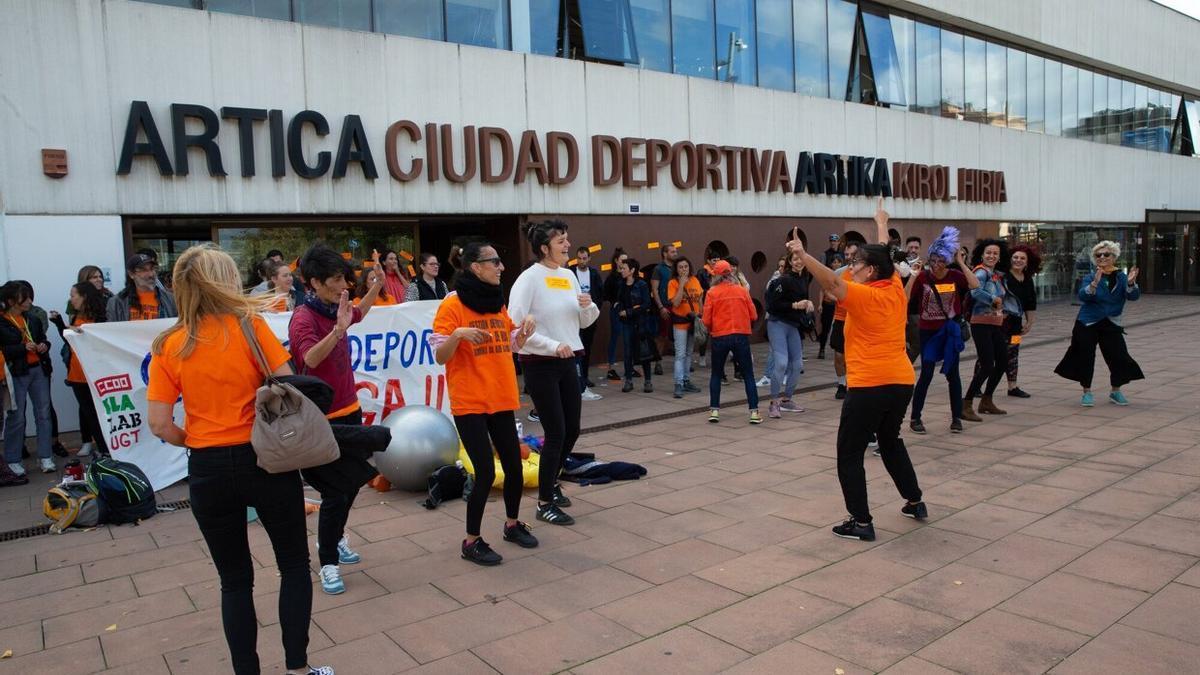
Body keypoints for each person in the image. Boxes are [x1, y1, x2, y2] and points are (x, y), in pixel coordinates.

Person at [146, 245, 332, 675]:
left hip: (207, 468)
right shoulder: (249, 326)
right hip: (264, 459)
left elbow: (159, 425)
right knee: (293, 565)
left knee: (234, 581)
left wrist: (197, 440)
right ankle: (298, 668)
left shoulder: (170, 344)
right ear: (226, 281)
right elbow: (289, 388)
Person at [787, 201, 926, 542]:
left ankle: (861, 521)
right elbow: (886, 257)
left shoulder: (865, 295)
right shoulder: (893, 285)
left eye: (857, 263)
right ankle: (914, 501)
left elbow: (832, 286)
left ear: (869, 272)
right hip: (901, 381)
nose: (852, 265)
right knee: (891, 440)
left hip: (869, 385)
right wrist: (881, 222)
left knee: (849, 452)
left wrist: (804, 257)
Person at [432, 241, 538, 565]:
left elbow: (508, 342)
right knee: (484, 473)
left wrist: (523, 333)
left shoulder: (495, 301)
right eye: (495, 262)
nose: (501, 267)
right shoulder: (452, 305)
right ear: (476, 267)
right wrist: (458, 335)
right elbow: (439, 355)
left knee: (515, 468)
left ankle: (511, 524)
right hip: (471, 402)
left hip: (501, 396)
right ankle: (471, 541)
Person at [289, 244, 384, 595]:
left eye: (344, 277)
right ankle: (327, 561)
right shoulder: (304, 317)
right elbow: (310, 359)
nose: (343, 284)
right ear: (313, 282)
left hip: (350, 411)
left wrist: (376, 285)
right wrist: (338, 331)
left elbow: (360, 311)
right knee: (334, 492)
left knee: (351, 486)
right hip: (320, 421)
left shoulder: (336, 307)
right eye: (334, 280)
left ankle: (337, 538)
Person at [508, 220, 599, 527]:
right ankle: (544, 503)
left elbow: (583, 323)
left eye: (567, 239)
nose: (568, 245)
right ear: (544, 248)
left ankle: (553, 481)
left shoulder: (569, 276)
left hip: (568, 360)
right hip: (539, 364)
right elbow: (515, 329)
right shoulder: (528, 279)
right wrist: (550, 344)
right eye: (561, 241)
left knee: (572, 429)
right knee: (556, 432)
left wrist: (587, 306)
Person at [905, 227, 980, 434]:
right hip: (928, 332)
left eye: (941, 261)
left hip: (949, 332)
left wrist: (962, 262)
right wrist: (914, 274)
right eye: (933, 260)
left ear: (948, 261)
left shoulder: (955, 275)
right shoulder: (923, 277)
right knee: (926, 373)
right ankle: (915, 417)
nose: (937, 265)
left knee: (953, 375)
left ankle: (957, 417)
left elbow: (975, 284)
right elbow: (905, 297)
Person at [1054, 241, 1143, 406]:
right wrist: (1094, 284)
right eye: (1098, 255)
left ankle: (1115, 391)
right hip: (1088, 322)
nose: (1102, 257)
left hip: (1111, 323)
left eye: (1106, 254)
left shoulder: (1122, 277)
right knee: (1085, 356)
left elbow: (1133, 296)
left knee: (1119, 356)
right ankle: (1086, 392)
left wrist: (1131, 283)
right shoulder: (1090, 276)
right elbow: (1083, 296)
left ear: (1114, 257)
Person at [49, 282, 110, 457]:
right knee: (89, 414)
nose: (71, 299)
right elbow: (70, 340)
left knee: (100, 414)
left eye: (73, 295)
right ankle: (102, 448)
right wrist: (60, 323)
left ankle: (106, 449)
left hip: (95, 374)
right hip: (76, 374)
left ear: (84, 296)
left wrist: (85, 333)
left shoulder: (100, 318)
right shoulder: (76, 316)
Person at [0, 282, 55, 475]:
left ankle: (45, 456)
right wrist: (22, 348)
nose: (30, 301)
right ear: (10, 301)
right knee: (16, 417)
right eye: (25, 297)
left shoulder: (32, 319)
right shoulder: (2, 322)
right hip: (16, 373)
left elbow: (43, 339)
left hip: (38, 369)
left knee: (44, 413)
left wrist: (43, 346)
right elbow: (3, 351)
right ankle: (13, 459)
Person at [701, 260, 760, 424]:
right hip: (740, 335)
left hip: (719, 336)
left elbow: (706, 320)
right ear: (730, 273)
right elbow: (754, 315)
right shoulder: (742, 291)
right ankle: (754, 412)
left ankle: (714, 411)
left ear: (716, 276)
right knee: (748, 374)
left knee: (716, 374)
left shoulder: (712, 292)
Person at [963, 239, 1011, 419]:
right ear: (982, 255)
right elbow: (975, 292)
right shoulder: (981, 273)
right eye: (988, 253)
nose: (991, 256)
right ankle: (966, 403)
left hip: (994, 323)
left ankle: (986, 400)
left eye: (995, 254)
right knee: (987, 366)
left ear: (999, 257)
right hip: (981, 323)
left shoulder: (996, 275)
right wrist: (993, 299)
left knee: (1002, 363)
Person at [765, 248, 814, 418]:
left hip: (793, 326)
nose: (799, 261)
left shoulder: (805, 278)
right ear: (790, 262)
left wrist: (808, 303)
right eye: (795, 259)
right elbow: (771, 306)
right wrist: (794, 305)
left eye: (801, 258)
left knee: (798, 365)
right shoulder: (783, 280)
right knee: (781, 363)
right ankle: (773, 403)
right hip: (777, 323)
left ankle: (786, 400)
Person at [1003, 245, 1040, 398]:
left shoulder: (1027, 279)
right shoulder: (1003, 277)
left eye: (1022, 258)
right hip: (1001, 322)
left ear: (1027, 262)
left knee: (1013, 353)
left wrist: (1030, 322)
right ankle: (978, 386)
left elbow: (1031, 302)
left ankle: (1012, 387)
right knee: (991, 354)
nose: (1018, 260)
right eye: (1016, 257)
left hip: (1016, 324)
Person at [614, 257, 654, 393]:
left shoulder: (641, 284)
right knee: (627, 352)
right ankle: (628, 380)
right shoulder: (621, 284)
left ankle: (648, 381)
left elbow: (647, 304)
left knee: (644, 352)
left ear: (632, 270)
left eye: (624, 268)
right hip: (626, 324)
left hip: (640, 323)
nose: (621, 271)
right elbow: (619, 301)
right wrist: (619, 309)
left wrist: (630, 312)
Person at [828, 239, 862, 399]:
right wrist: (840, 299)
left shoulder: (865, 272)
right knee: (839, 355)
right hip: (841, 318)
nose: (849, 257)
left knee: (855, 355)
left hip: (858, 320)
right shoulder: (839, 273)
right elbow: (828, 293)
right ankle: (842, 384)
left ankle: (855, 383)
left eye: (853, 254)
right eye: (847, 254)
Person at [666, 256, 703, 398]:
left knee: (689, 353)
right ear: (676, 269)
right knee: (680, 354)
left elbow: (700, 300)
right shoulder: (673, 283)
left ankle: (686, 380)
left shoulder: (695, 280)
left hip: (693, 322)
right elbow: (675, 303)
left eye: (686, 267)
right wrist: (681, 285)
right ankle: (678, 384)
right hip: (680, 324)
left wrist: (701, 316)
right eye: (680, 267)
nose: (683, 269)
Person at [572, 246, 604, 400]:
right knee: (576, 349)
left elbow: (600, 293)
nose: (582, 261)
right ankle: (577, 380)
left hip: (589, 316)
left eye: (584, 258)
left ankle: (584, 377)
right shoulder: (570, 272)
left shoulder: (594, 274)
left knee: (586, 349)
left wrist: (594, 309)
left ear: (589, 258)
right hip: (575, 317)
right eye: (579, 258)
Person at [108, 253, 178, 322]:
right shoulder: (116, 303)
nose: (151, 274)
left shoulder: (170, 300)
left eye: (152, 269)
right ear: (131, 274)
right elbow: (112, 330)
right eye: (144, 270)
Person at [650, 243, 678, 376]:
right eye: (672, 252)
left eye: (675, 251)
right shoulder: (658, 269)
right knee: (662, 335)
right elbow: (654, 289)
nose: (675, 253)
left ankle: (682, 363)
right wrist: (660, 307)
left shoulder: (678, 267)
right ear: (665, 254)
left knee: (679, 335)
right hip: (665, 306)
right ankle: (658, 363)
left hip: (678, 306)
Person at [603, 248, 631, 381]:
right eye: (622, 260)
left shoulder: (627, 275)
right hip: (617, 310)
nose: (624, 263)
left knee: (629, 338)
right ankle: (611, 368)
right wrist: (614, 302)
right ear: (616, 261)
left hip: (628, 310)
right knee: (615, 336)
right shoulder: (612, 278)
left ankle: (629, 367)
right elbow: (605, 294)